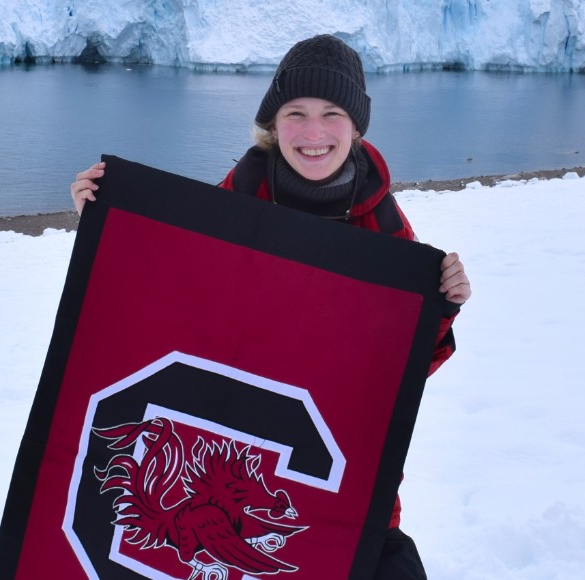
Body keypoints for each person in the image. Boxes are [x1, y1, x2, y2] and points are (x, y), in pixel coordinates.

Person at [70, 34, 469, 579]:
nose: (313, 133)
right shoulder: (227, 208)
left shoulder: (389, 236)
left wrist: (441, 306)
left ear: (355, 127)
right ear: (271, 124)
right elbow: (163, 304)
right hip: (221, 452)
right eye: (295, 113)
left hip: (336, 478)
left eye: (332, 114)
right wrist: (106, 223)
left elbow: (401, 376)